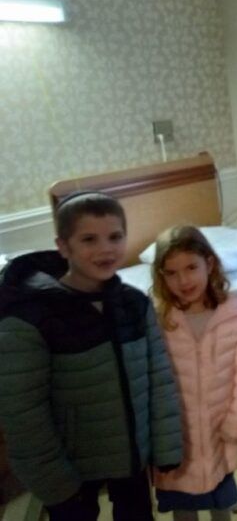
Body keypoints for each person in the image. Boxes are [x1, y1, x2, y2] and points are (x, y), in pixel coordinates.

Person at [0, 192, 182, 521]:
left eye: (115, 237)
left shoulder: (135, 303)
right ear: (63, 246)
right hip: (72, 467)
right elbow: (23, 414)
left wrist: (166, 447)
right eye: (88, 239)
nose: (105, 249)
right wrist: (55, 485)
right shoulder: (30, 317)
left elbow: (159, 378)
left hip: (131, 457)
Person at [150, 225, 237, 521]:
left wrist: (236, 424)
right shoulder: (159, 321)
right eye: (172, 273)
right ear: (161, 276)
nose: (183, 280)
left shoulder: (234, 317)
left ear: (209, 264)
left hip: (220, 435)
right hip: (177, 441)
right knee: (183, 510)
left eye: (191, 268)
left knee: (220, 505)